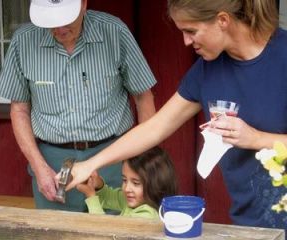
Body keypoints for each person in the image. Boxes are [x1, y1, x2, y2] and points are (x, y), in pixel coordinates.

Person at [62, 0, 287, 235]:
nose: (186, 42)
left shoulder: (282, 55)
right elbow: (155, 128)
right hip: (250, 219)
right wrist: (90, 164)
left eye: (191, 31)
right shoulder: (206, 70)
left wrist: (255, 138)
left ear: (223, 20)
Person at [0, 0, 157, 212]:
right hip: (53, 163)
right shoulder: (23, 41)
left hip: (112, 158)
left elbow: (143, 97)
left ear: (83, 4)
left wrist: (142, 162)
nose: (60, 29)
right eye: (51, 21)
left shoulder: (114, 32)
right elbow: (19, 110)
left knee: (114, 233)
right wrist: (39, 166)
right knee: (56, 234)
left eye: (66, 19)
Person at [76, 146, 178, 219]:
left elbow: (104, 233)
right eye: (125, 180)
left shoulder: (146, 215)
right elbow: (109, 197)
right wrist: (97, 185)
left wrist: (91, 196)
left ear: (156, 184)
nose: (127, 188)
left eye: (136, 183)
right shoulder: (136, 200)